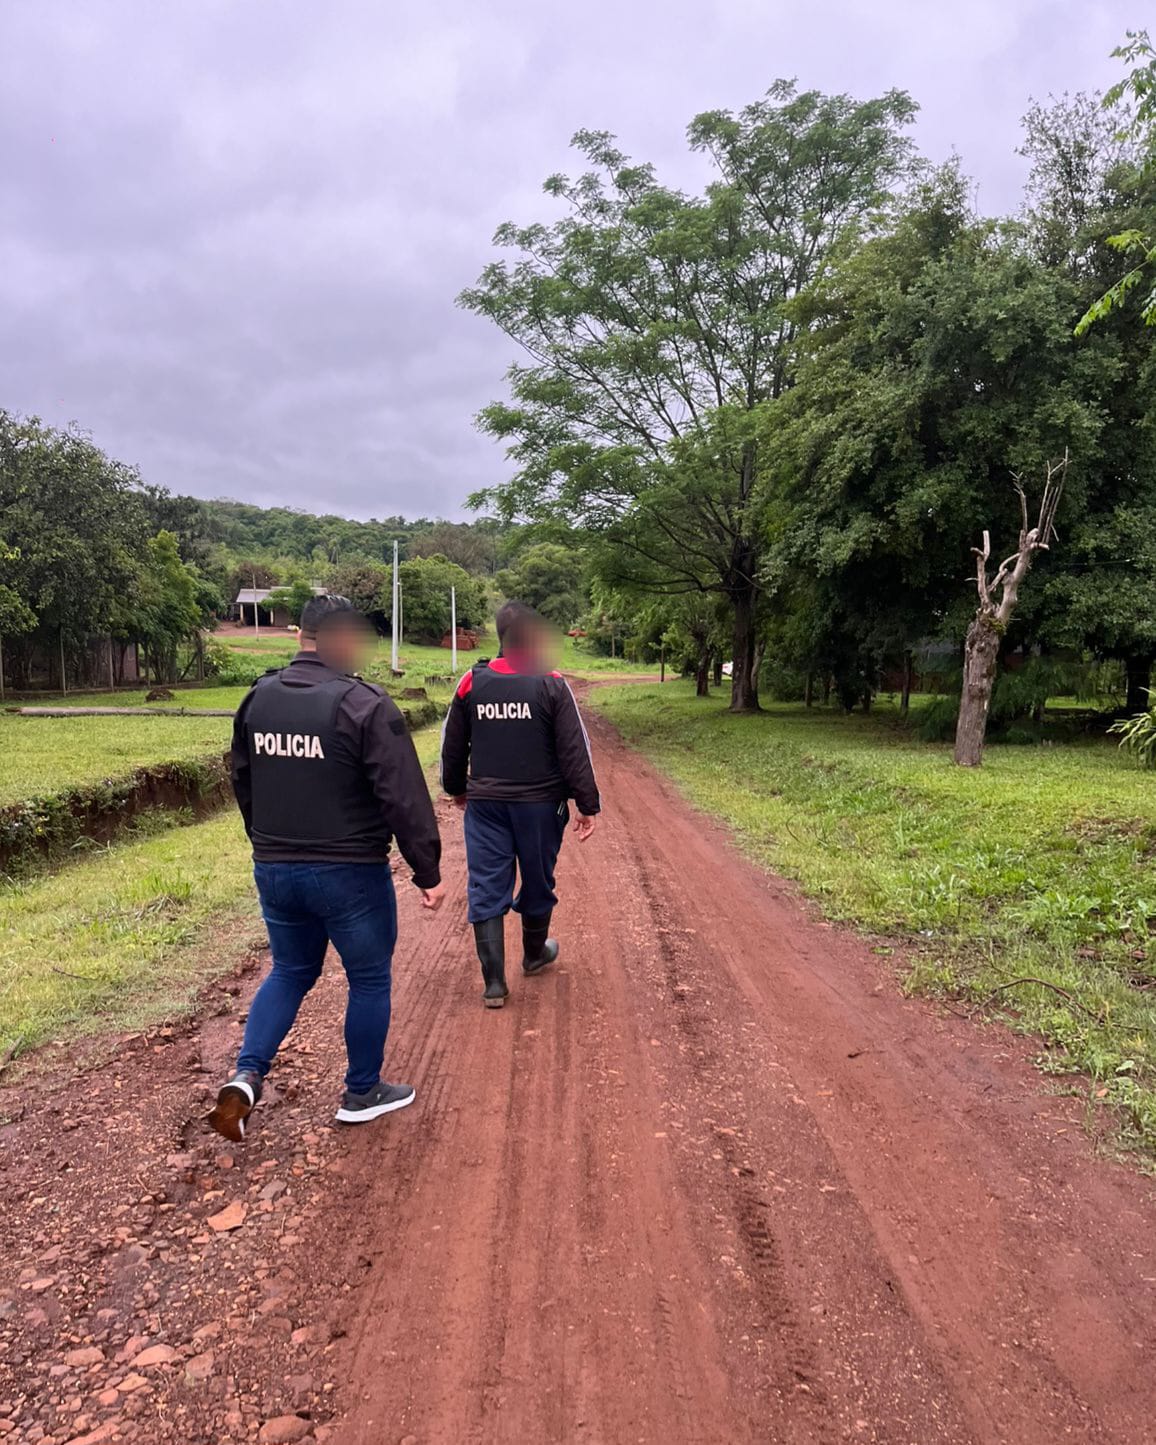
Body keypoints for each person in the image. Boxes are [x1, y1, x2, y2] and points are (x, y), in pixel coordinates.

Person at [209, 595, 444, 1141]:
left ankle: (246, 1076)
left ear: (300, 637)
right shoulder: (363, 703)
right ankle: (362, 1091)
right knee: (367, 976)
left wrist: (266, 844)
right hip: (349, 873)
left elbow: (243, 782)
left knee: (290, 970)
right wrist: (426, 871)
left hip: (274, 867)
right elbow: (403, 797)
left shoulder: (256, 699)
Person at [440, 601, 600, 1007]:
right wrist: (587, 803)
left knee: (486, 882)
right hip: (541, 807)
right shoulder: (551, 682)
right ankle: (532, 955)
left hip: (486, 805)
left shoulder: (472, 682)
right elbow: (573, 750)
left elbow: (453, 746)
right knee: (537, 878)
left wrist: (456, 787)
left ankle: (494, 982)